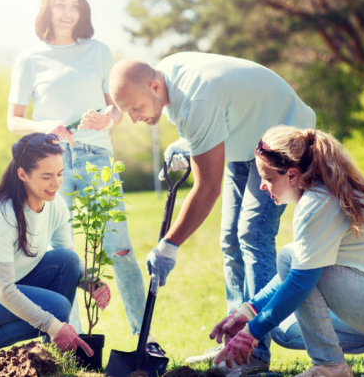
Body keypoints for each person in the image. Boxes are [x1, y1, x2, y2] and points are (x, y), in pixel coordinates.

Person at [108, 53, 316, 370]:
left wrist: (169, 245)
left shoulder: (195, 100)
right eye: (128, 112)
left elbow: (207, 188)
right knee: (230, 238)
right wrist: (186, 142)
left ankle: (254, 350)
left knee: (252, 233)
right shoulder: (165, 78)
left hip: (283, 133)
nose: (134, 119)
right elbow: (212, 115)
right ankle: (233, 343)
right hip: (246, 134)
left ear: (153, 85)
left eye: (135, 108)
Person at [6, 0, 162, 355]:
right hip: (52, 165)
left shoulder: (98, 51)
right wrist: (44, 125)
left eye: (74, 5)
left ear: (83, 11)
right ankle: (70, 342)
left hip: (97, 159)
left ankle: (144, 340)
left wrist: (108, 119)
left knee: (119, 250)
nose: (66, 12)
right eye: (59, 4)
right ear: (46, 9)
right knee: (63, 254)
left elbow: (117, 108)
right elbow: (13, 120)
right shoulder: (29, 59)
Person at [211, 126, 364, 377]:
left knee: (291, 259)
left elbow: (300, 280)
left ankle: (331, 366)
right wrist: (248, 311)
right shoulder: (322, 193)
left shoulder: (318, 202)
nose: (262, 186)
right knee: (282, 330)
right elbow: (295, 275)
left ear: (292, 175)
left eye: (268, 178)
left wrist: (250, 334)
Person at [0, 133, 109, 367]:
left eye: (59, 174)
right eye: (46, 176)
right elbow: (5, 291)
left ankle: (52, 353)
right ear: (23, 174)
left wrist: (89, 280)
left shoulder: (55, 204)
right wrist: (54, 325)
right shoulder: (2, 215)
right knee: (58, 309)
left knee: (67, 261)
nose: (56, 183)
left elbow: (70, 259)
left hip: (5, 286)